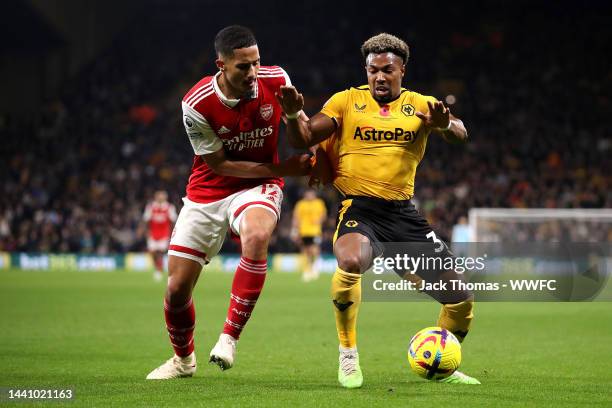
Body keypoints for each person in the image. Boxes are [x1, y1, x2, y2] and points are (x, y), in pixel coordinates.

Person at [276, 33, 479, 387]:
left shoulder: (421, 104)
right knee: (352, 260)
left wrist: (444, 123)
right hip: (360, 209)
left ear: (402, 70)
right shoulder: (346, 102)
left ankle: (441, 363)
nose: (379, 77)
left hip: (402, 215)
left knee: (460, 300)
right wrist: (293, 112)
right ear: (365, 71)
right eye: (373, 71)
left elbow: (460, 133)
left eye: (387, 70)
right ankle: (348, 355)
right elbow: (303, 137)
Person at [147, 25, 310, 380]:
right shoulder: (196, 102)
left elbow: (301, 141)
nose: (253, 73)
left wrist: (295, 115)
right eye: (243, 66)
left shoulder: (276, 79)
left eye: (256, 63)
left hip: (260, 185)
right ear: (221, 65)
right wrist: (284, 167)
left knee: (255, 235)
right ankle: (183, 361)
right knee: (176, 290)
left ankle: (229, 338)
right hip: (209, 189)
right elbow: (219, 164)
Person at [292, 189, 327, 282]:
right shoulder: (300, 204)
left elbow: (324, 215)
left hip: (315, 231)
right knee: (305, 250)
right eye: (308, 194)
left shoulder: (319, 203)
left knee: (314, 249)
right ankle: (307, 270)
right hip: (303, 231)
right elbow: (296, 217)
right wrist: (295, 231)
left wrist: (319, 220)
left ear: (314, 195)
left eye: (311, 194)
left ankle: (315, 269)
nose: (309, 196)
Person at [143, 190, 177, 281]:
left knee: (161, 252)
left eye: (162, 196)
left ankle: (159, 270)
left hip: (164, 234)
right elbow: (146, 220)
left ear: (165, 197)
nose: (160, 198)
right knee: (152, 252)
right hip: (153, 234)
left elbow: (173, 221)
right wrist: (146, 232)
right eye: (159, 196)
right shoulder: (150, 207)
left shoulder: (169, 207)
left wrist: (173, 233)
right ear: (156, 197)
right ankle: (157, 268)